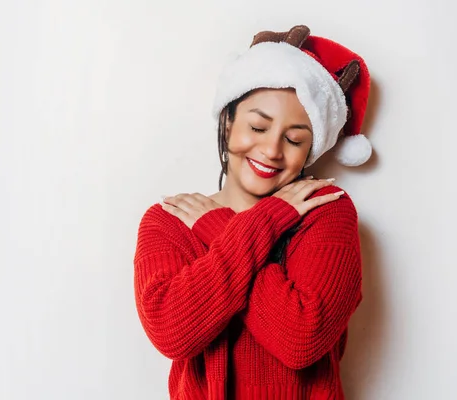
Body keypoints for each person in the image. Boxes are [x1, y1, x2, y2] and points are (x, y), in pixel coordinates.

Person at [134, 24, 373, 399]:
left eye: (294, 139)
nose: (272, 150)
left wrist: (220, 226)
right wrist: (266, 221)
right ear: (229, 121)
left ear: (312, 150)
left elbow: (300, 339)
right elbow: (173, 331)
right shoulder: (170, 220)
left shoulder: (326, 212)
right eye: (258, 126)